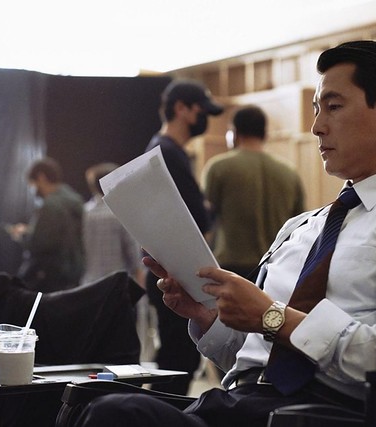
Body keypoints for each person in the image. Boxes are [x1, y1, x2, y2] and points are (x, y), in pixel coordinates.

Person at [76, 40, 376, 427]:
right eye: (316, 109)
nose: (316, 127)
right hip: (241, 404)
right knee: (89, 401)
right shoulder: (299, 228)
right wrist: (209, 317)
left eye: (333, 107)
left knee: (116, 414)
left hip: (323, 412)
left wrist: (275, 318)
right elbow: (253, 357)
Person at [143, 79, 224, 395]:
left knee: (176, 359)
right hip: (175, 273)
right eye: (200, 111)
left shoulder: (163, 150)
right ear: (181, 109)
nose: (205, 119)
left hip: (170, 270)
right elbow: (198, 216)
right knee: (176, 363)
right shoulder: (167, 153)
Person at [202, 105, 305, 281]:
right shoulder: (290, 173)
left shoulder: (219, 168)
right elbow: (300, 226)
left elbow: (204, 220)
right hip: (276, 268)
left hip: (231, 268)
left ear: (234, 132)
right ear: (264, 134)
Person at [7, 157, 85, 293]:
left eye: (32, 183)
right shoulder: (75, 200)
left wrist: (22, 235)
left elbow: (39, 244)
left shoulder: (50, 205)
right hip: (74, 275)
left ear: (41, 177)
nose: (32, 189)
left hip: (51, 278)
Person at [81, 162, 144, 285]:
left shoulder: (84, 212)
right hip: (117, 284)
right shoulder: (120, 212)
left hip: (89, 283)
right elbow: (133, 253)